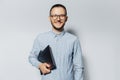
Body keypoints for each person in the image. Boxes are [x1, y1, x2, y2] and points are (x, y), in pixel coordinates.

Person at [29, 4, 84, 80]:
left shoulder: (74, 40)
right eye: (54, 15)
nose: (58, 19)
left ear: (66, 18)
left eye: (62, 15)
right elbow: (32, 57)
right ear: (50, 18)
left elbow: (79, 67)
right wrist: (39, 65)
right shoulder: (40, 38)